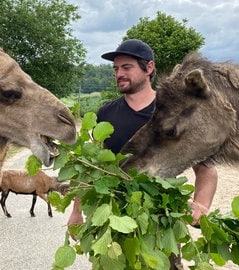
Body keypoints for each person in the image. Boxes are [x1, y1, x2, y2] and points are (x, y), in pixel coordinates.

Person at [67, 40, 218, 267]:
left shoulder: (175, 113)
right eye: (116, 69)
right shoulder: (106, 113)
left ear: (148, 68)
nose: (119, 74)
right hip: (113, 221)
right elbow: (90, 167)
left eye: (126, 67)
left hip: (161, 224)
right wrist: (76, 212)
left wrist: (201, 204)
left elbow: (207, 170)